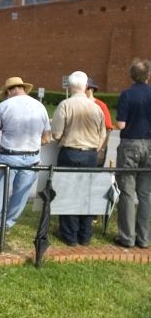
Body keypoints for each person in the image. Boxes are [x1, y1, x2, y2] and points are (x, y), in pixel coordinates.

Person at [0, 77, 51, 231]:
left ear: (8, 91)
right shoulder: (40, 107)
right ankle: (8, 223)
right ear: (22, 88)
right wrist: (33, 142)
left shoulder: (4, 106)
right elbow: (47, 138)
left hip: (8, 156)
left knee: (0, 191)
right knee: (21, 194)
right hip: (32, 157)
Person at [51, 71, 106, 246]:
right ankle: (85, 235)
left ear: (70, 87)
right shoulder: (96, 107)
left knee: (68, 194)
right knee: (86, 195)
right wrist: (94, 148)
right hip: (90, 153)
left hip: (70, 152)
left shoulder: (65, 105)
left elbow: (57, 134)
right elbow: (102, 135)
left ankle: (69, 235)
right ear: (86, 87)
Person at [114, 59, 151, 249]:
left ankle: (127, 238)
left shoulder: (127, 95)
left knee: (127, 192)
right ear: (148, 76)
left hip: (130, 144)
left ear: (131, 75)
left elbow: (121, 124)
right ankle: (144, 239)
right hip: (150, 145)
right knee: (145, 194)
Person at [85, 77, 114, 167]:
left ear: (91, 89)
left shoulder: (101, 105)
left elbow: (108, 129)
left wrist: (102, 149)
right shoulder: (76, 103)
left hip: (96, 148)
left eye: (85, 88)